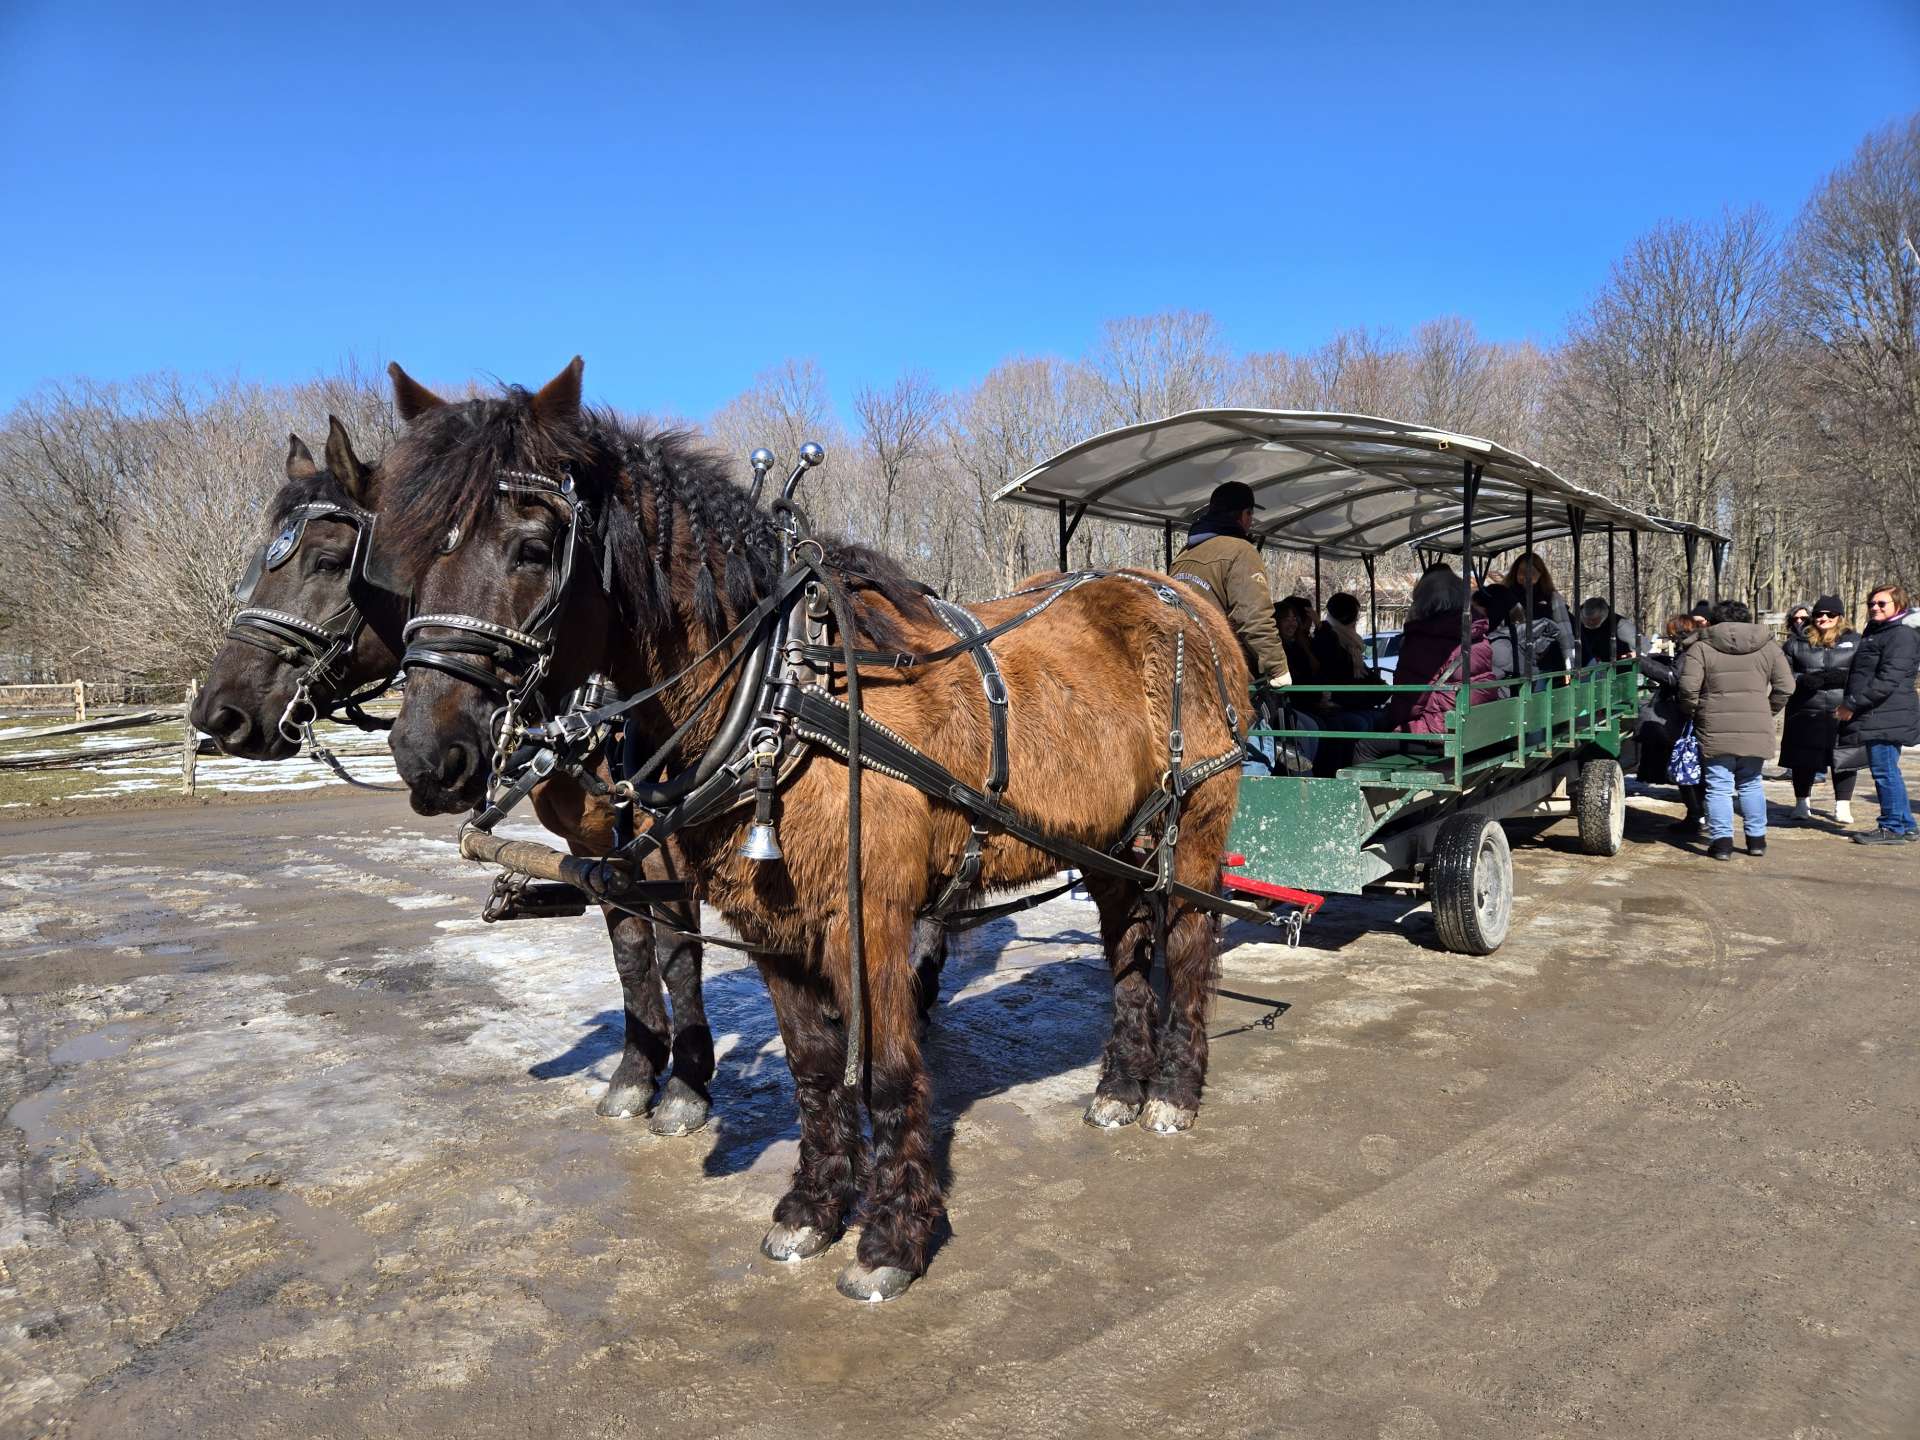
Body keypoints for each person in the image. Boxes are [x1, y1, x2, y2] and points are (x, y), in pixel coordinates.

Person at [1171, 481, 1291, 773]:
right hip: (1229, 682)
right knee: (1254, 758)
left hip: (1185, 681)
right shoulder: (1240, 551)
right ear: (1243, 516)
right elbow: (1254, 618)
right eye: (1250, 515)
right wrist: (1279, 670)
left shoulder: (1182, 558)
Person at [1679, 599, 1793, 860]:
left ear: (1715, 621)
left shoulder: (1701, 647)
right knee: (1751, 783)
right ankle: (1756, 841)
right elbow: (1786, 686)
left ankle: (1722, 844)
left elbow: (1688, 688)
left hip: (1714, 724)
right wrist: (1767, 709)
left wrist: (1697, 711)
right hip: (1756, 723)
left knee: (1718, 786)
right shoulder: (1768, 647)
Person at [1354, 566, 1497, 759]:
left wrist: (1390, 721)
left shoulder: (1424, 640)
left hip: (1443, 729)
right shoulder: (1477, 633)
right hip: (1477, 724)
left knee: (1365, 745)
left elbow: (1410, 701)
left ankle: (1363, 790)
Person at [1836, 583, 1919, 845]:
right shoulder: (1878, 631)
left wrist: (1852, 704)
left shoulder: (1901, 635)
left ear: (1899, 606)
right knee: (1887, 769)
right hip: (1878, 712)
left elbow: (1887, 680)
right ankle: (1906, 824)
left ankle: (1892, 825)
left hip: (1886, 713)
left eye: (1882, 603)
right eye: (1872, 603)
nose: (1875, 607)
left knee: (1884, 771)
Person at [1779, 595, 1861, 824]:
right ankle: (1801, 803)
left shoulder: (1856, 641)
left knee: (1843, 757)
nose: (1824, 618)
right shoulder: (1797, 642)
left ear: (1840, 616)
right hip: (1805, 709)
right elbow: (1782, 674)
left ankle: (1842, 806)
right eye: (1818, 614)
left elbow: (1864, 672)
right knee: (1803, 758)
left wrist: (1842, 678)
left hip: (1843, 709)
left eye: (1830, 614)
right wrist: (1802, 679)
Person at [1638, 613, 1709, 832]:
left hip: (1686, 715)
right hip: (1687, 713)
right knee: (1688, 764)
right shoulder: (1693, 649)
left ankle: (1698, 814)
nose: (1670, 636)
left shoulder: (1690, 651)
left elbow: (1674, 677)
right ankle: (1696, 813)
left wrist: (1641, 662)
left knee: (1686, 763)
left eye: (1672, 632)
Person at [1505, 552, 1575, 675]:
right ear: (1515, 572)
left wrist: (1570, 663)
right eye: (1521, 571)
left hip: (1545, 663)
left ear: (1540, 574)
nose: (1526, 576)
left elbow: (1565, 632)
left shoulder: (1551, 597)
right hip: (1513, 661)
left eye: (1531, 572)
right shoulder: (1506, 595)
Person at [1577, 597, 1640, 666]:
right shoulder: (1576, 624)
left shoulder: (1620, 624)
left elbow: (1645, 647)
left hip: (1618, 668)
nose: (1590, 622)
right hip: (1587, 669)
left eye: (1594, 620)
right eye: (1587, 619)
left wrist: (1636, 653)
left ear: (1603, 615)